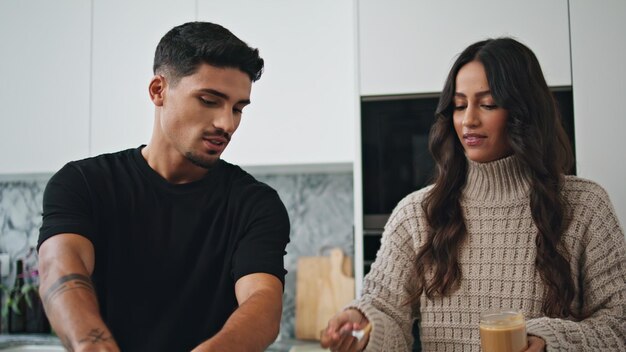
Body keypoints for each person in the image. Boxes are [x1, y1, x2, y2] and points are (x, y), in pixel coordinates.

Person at [321, 37, 626, 351]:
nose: (468, 120)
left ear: (524, 112)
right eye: (459, 105)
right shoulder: (417, 213)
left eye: (488, 104)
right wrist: (363, 326)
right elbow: (385, 310)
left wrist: (548, 341)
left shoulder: (586, 206)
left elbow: (619, 326)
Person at [37, 22, 290, 352]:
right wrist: (91, 346)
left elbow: (262, 303)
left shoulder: (255, 204)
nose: (227, 123)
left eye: (238, 108)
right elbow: (61, 270)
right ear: (158, 90)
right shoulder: (83, 184)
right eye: (210, 100)